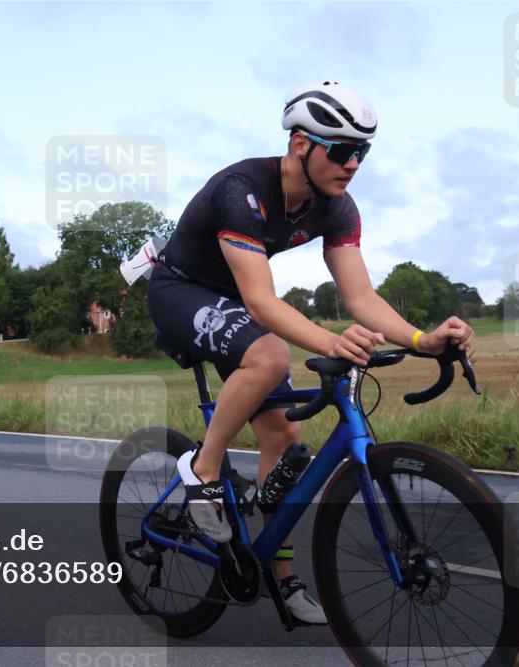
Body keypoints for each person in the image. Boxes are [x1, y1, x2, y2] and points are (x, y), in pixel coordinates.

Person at [147, 81, 475, 625]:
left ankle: (281, 576)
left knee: (284, 437)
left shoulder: (338, 209)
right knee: (272, 356)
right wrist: (330, 341)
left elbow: (359, 296)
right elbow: (259, 300)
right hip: (181, 290)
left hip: (232, 299)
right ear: (301, 144)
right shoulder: (242, 191)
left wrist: (420, 339)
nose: (352, 164)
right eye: (342, 150)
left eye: (361, 153)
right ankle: (203, 473)